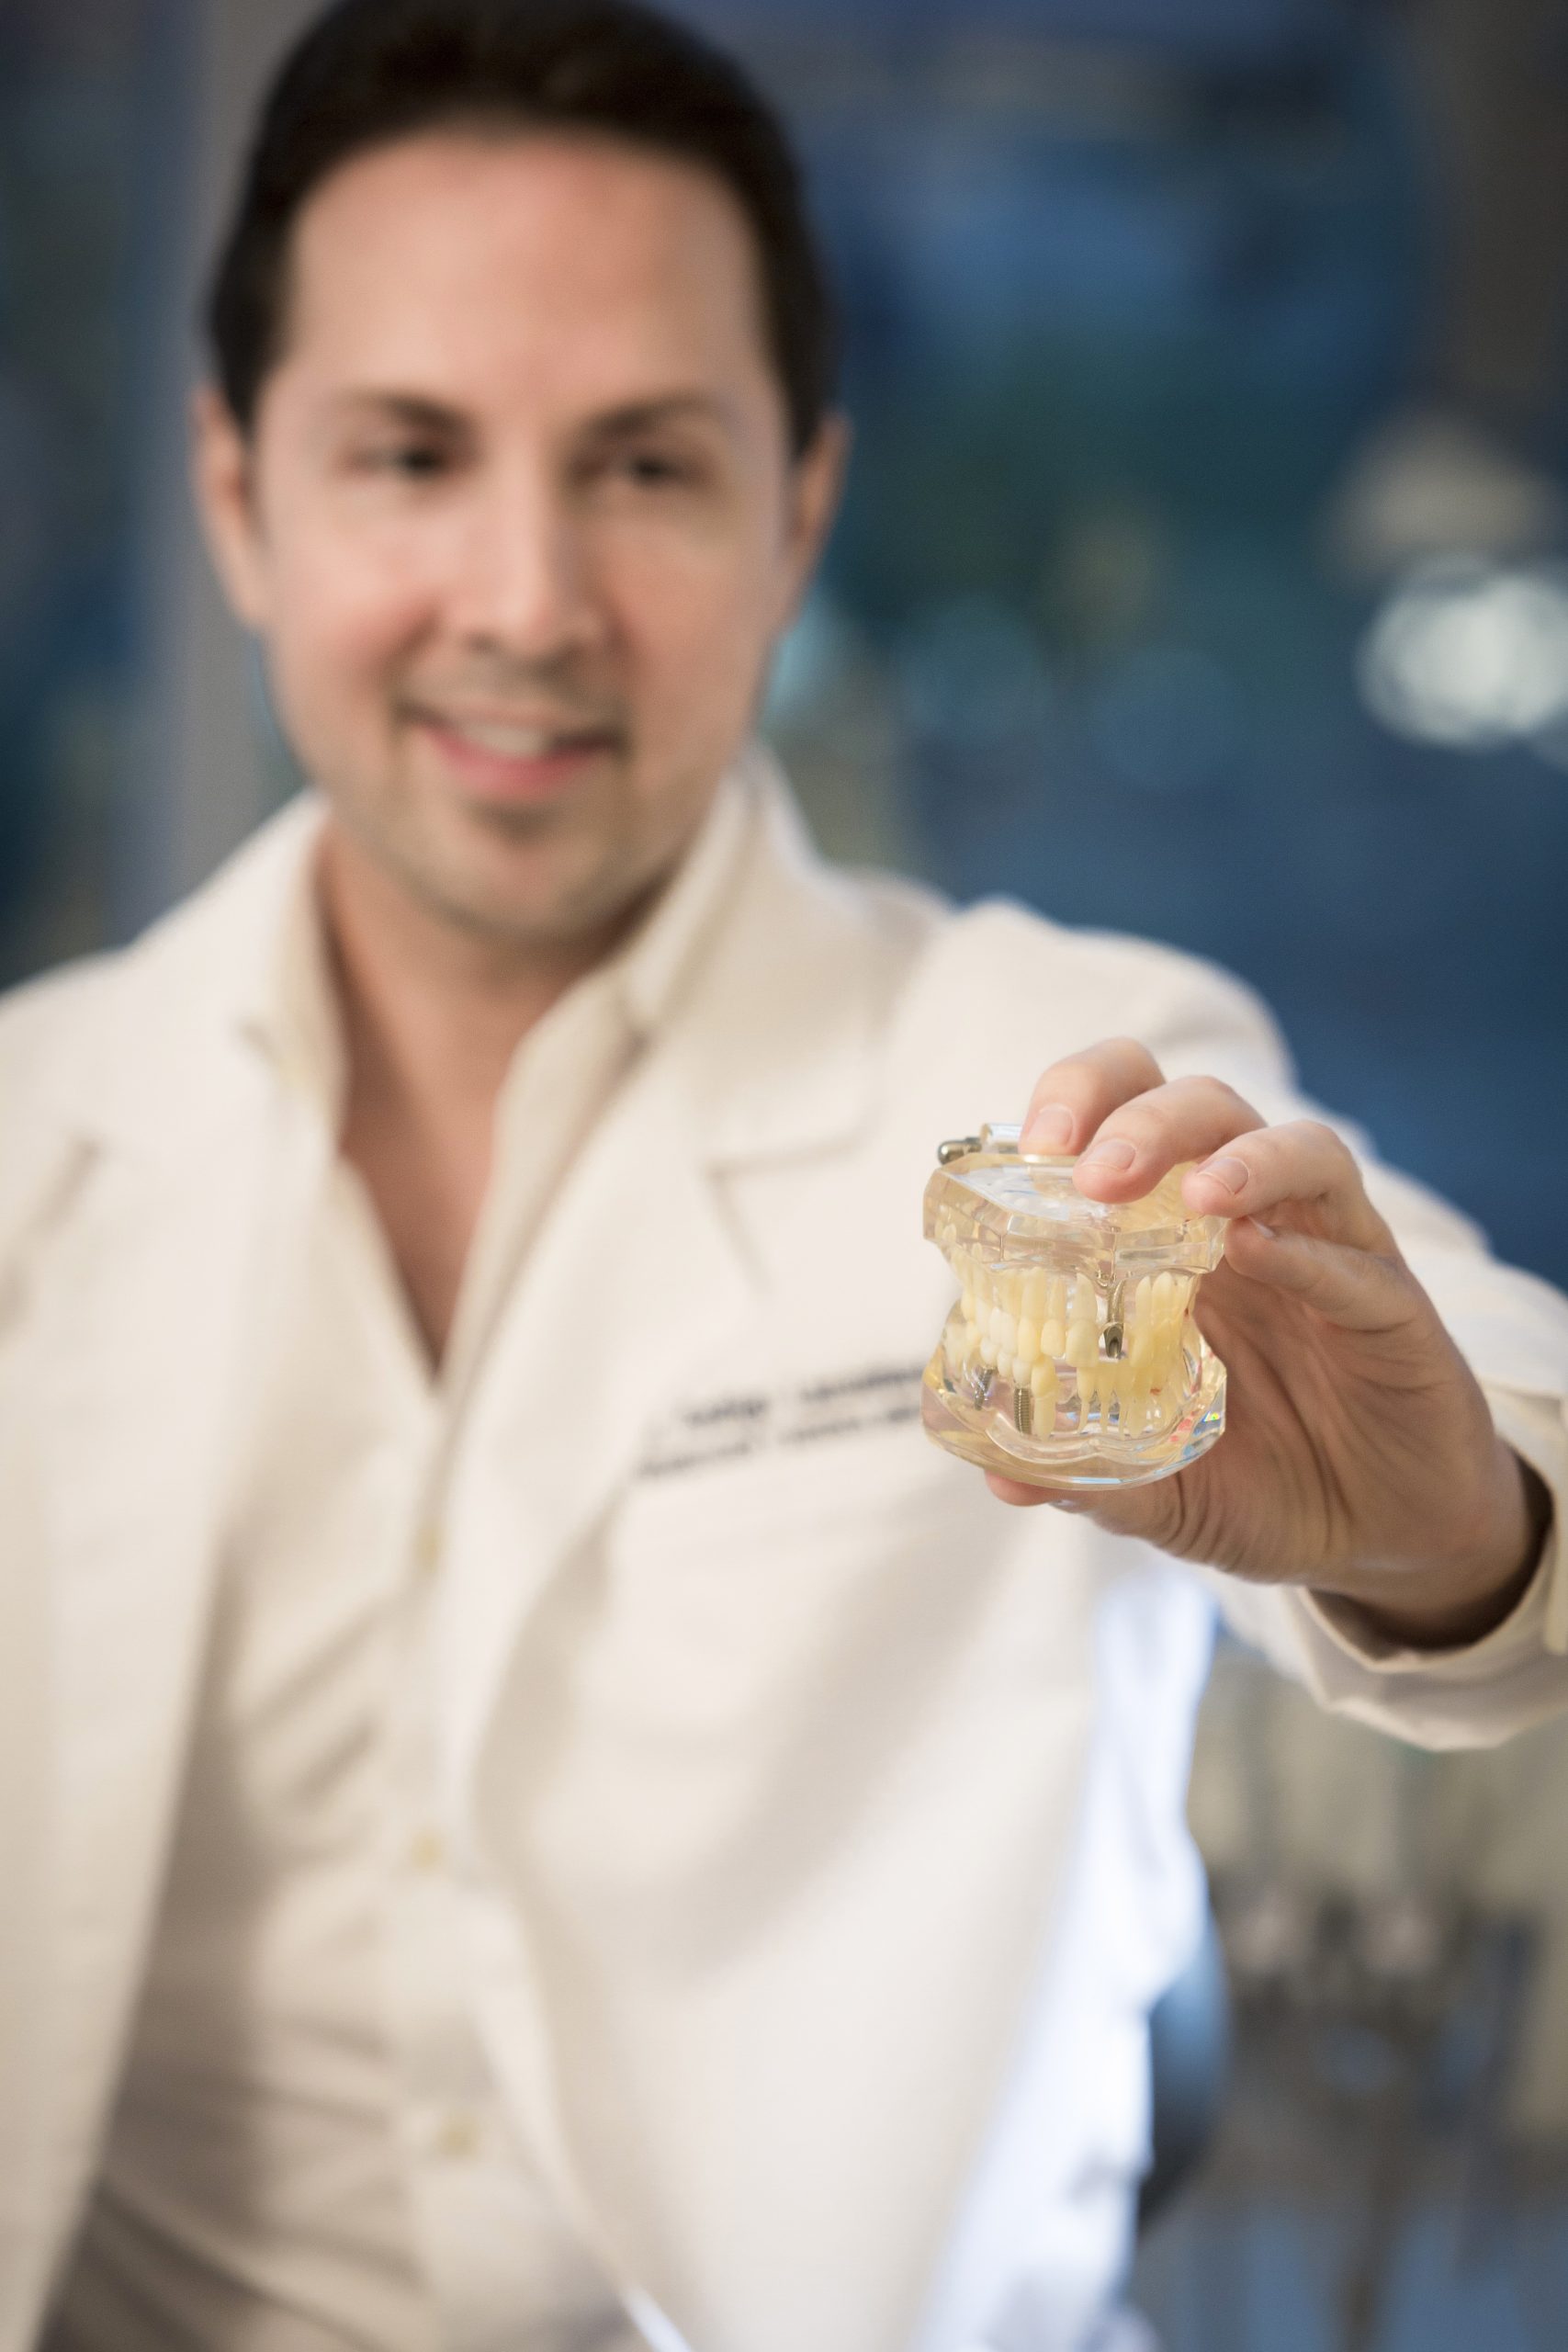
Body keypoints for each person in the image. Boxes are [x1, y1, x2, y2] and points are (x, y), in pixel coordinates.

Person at [3, 4, 1564, 2347]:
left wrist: (1454, 1531)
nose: (524, 598)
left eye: (642, 464)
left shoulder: (1059, 1080)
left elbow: (1511, 1441)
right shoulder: (30, 1141)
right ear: (237, 497)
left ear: (796, 509)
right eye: (409, 454)